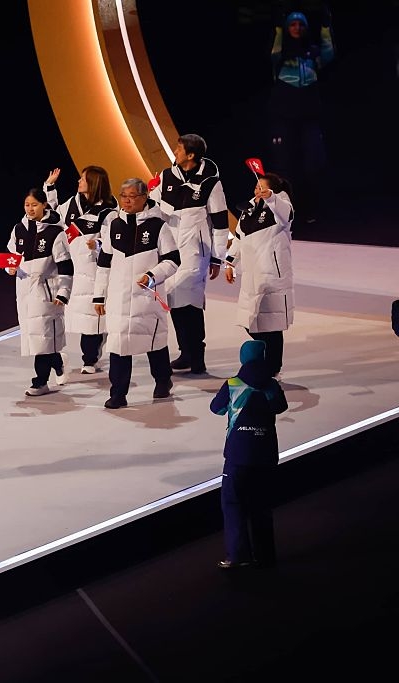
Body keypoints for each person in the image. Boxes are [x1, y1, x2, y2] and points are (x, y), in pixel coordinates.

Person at [93, 179, 180, 409]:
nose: (127, 200)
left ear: (144, 197)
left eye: (132, 196)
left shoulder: (158, 226)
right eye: (123, 196)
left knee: (153, 340)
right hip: (119, 298)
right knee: (119, 345)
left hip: (147, 295)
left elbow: (173, 260)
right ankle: (118, 394)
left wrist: (153, 275)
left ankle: (163, 380)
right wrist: (99, 296)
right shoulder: (113, 225)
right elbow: (104, 263)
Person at [149, 133, 230, 375]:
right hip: (171, 250)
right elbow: (152, 208)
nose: (175, 151)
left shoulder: (210, 182)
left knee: (191, 303)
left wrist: (217, 257)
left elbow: (220, 222)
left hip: (196, 251)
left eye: (179, 148)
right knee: (174, 300)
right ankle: (185, 353)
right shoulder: (166, 176)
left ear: (191, 155)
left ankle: (197, 356)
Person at [210, 340, 288, 569]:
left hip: (238, 455)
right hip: (265, 454)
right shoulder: (271, 386)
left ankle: (237, 555)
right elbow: (280, 407)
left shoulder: (233, 384)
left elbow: (216, 408)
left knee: (233, 504)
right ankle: (266, 556)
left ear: (242, 358)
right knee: (262, 506)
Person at [44, 166, 118, 373]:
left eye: (83, 179)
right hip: (73, 268)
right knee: (76, 316)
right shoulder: (71, 204)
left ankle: (90, 359)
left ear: (93, 183)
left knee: (93, 316)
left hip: (95, 270)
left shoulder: (109, 210)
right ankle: (85, 354)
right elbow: (52, 215)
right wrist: (50, 186)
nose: (79, 181)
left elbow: (114, 241)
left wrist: (99, 245)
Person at [224, 172, 295, 377]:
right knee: (251, 322)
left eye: (262, 188)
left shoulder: (280, 207)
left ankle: (272, 368)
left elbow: (286, 212)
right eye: (256, 188)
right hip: (251, 276)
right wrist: (230, 262)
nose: (258, 191)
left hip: (272, 275)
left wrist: (271, 196)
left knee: (272, 325)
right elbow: (239, 237)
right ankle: (264, 360)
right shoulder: (248, 210)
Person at [5, 187, 73, 396]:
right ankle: (58, 360)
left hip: (46, 292)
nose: (30, 208)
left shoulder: (55, 232)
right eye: (27, 205)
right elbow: (11, 254)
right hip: (24, 289)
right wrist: (10, 267)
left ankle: (40, 382)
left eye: (34, 204)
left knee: (42, 337)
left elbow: (66, 266)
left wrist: (63, 292)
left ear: (44, 205)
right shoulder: (19, 229)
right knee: (35, 336)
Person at [269, 8, 335, 223]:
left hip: (308, 118)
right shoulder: (280, 56)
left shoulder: (312, 52)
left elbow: (329, 54)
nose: (297, 28)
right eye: (293, 24)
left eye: (301, 25)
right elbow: (274, 52)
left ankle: (309, 210)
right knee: (284, 164)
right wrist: (278, 30)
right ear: (287, 28)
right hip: (285, 117)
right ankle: (284, 211)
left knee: (312, 163)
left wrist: (325, 28)